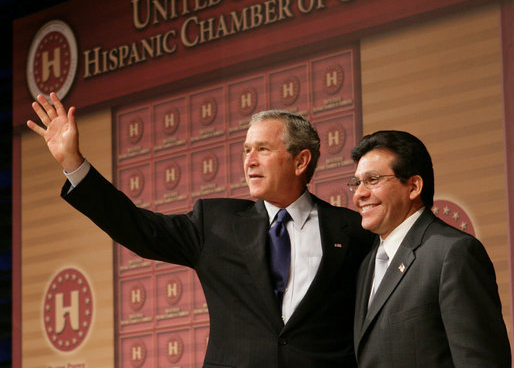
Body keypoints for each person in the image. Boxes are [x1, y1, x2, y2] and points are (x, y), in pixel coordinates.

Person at [27, 92, 374, 368]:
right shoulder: (216, 222)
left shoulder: (352, 232)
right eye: (246, 150)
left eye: (263, 150)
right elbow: (137, 228)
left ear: (301, 161)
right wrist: (73, 164)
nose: (249, 160)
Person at [349, 130, 511, 368]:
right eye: (356, 183)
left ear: (413, 186)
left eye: (373, 180)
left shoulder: (453, 253)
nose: (359, 194)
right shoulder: (368, 263)